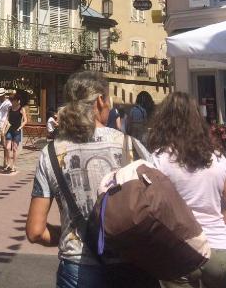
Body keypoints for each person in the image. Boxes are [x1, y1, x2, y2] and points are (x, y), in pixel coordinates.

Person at [26, 70, 156, 288]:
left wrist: (69, 234)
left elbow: (35, 231)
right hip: (130, 265)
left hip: (77, 269)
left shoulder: (50, 154)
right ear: (100, 101)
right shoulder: (131, 146)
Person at [147, 92, 226, 288]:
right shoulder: (219, 160)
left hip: (179, 250)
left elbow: (152, 211)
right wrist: (212, 217)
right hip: (220, 250)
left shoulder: (157, 160)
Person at [5, 94, 27, 173]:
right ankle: (8, 163)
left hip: (17, 130)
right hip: (9, 129)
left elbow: (25, 120)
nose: (12, 102)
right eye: (11, 100)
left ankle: (13, 165)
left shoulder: (21, 109)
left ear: (17, 101)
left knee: (14, 148)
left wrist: (20, 127)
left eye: (13, 100)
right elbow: (7, 118)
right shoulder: (9, 108)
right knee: (7, 147)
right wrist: (6, 124)